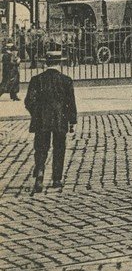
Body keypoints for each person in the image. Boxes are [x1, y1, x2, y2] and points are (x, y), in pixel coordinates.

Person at [25, 50, 78, 192]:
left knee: (41, 148)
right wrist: (72, 121)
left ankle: (40, 173)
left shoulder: (36, 80)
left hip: (41, 120)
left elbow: (29, 101)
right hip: (60, 120)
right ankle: (57, 179)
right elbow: (70, 103)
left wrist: (37, 114)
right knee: (59, 148)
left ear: (45, 63)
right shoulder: (66, 80)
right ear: (60, 63)